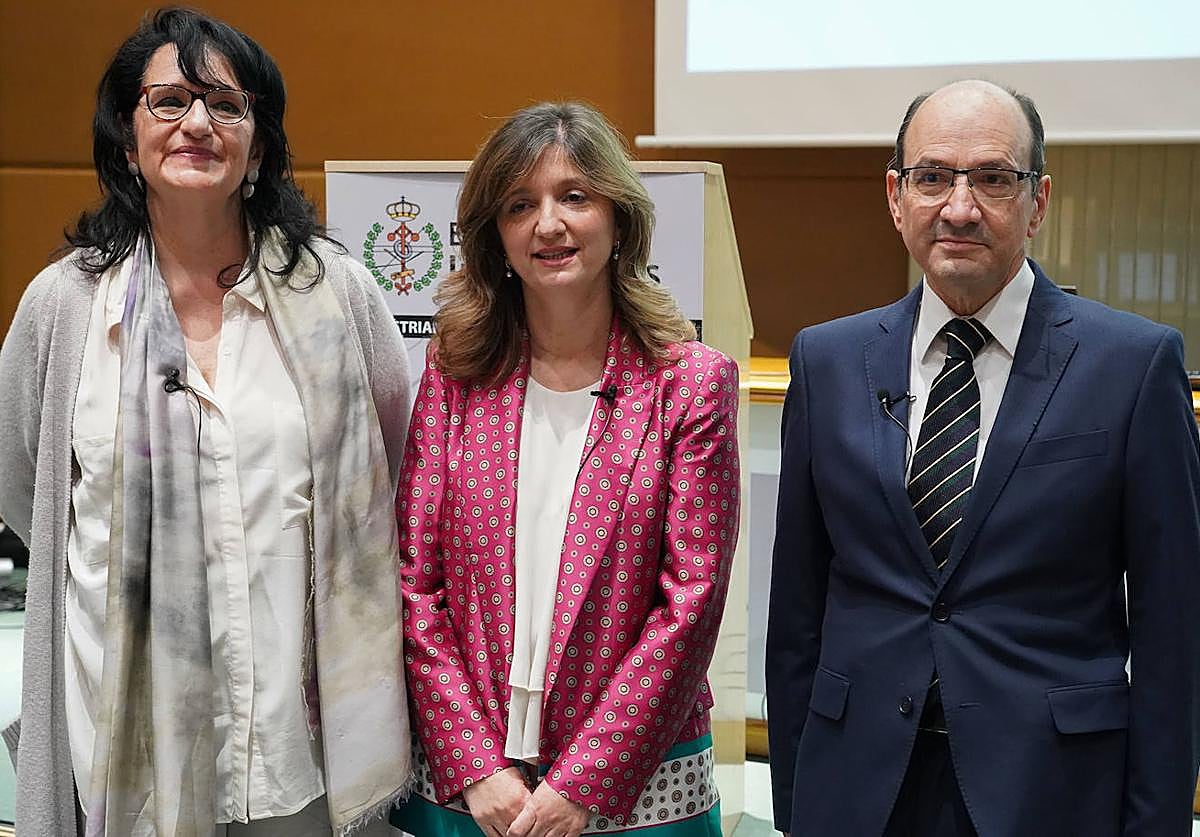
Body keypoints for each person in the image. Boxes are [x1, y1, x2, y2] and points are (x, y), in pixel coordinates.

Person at [0, 9, 412, 836]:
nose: (197, 123)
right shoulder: (66, 307)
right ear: (126, 138)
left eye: (226, 104)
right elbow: (27, 490)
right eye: (169, 101)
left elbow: (393, 473)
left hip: (303, 746)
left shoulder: (340, 295)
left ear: (258, 148)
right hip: (126, 756)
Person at [766, 79, 1200, 837]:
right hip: (857, 788)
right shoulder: (827, 359)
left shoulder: (1133, 365)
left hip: (1051, 791)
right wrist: (798, 804)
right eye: (933, 176)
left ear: (1038, 202)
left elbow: (1174, 632)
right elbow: (798, 608)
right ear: (896, 197)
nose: (960, 207)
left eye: (993, 178)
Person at [390, 101, 739, 837]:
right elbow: (416, 583)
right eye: (521, 204)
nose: (548, 223)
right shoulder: (455, 375)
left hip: (637, 790)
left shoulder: (690, 383)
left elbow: (691, 603)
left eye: (574, 196)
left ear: (619, 219)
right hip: (474, 791)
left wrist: (585, 782)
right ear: (496, 236)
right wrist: (474, 764)